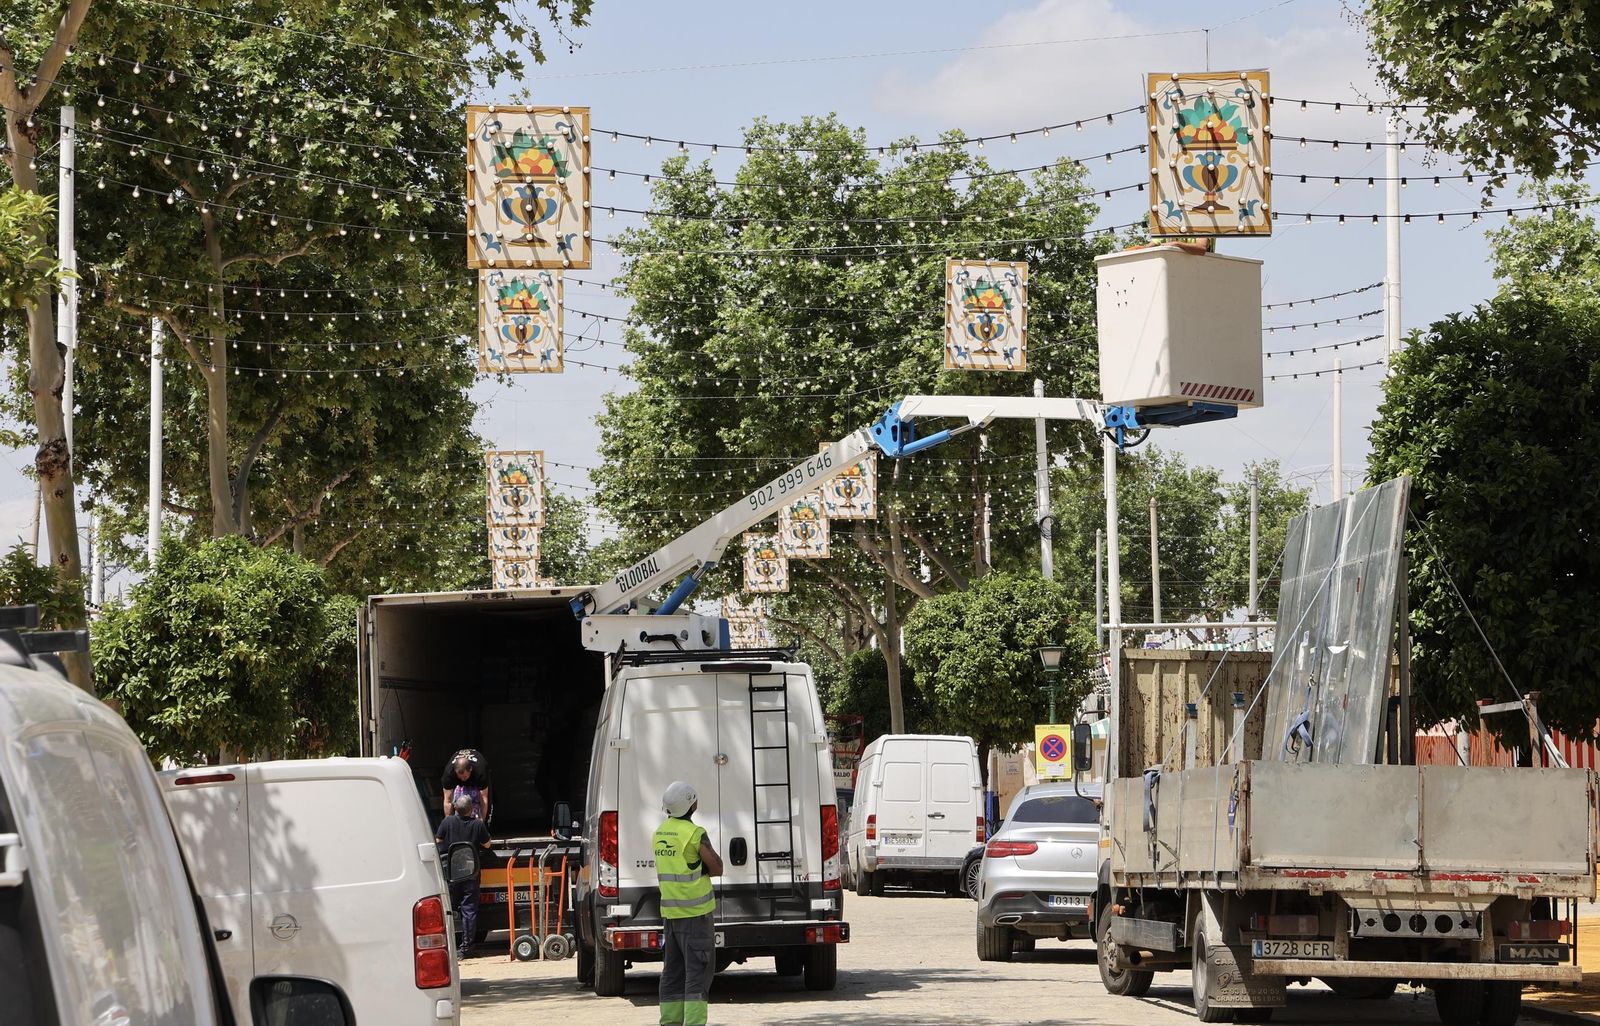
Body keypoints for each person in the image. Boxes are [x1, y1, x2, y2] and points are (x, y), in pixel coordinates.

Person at [653, 781, 722, 1026]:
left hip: (670, 915)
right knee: (697, 974)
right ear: (691, 805)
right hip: (696, 915)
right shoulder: (694, 834)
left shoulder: (660, 833)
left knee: (672, 972)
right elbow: (717, 868)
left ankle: (670, 1022)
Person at [436, 794, 493, 958]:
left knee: (449, 909)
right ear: (472, 809)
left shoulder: (447, 822)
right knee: (469, 911)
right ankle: (466, 948)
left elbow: (438, 841)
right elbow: (487, 845)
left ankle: (446, 945)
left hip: (452, 873)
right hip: (470, 873)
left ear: (455, 807)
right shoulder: (478, 824)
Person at [440, 748, 491, 822]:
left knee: (481, 806)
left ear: (470, 769)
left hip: (476, 782)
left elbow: (484, 799)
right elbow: (447, 801)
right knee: (460, 804)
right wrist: (449, 823)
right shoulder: (449, 774)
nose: (462, 779)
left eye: (464, 777)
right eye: (459, 777)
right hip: (458, 786)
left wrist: (481, 822)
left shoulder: (480, 772)